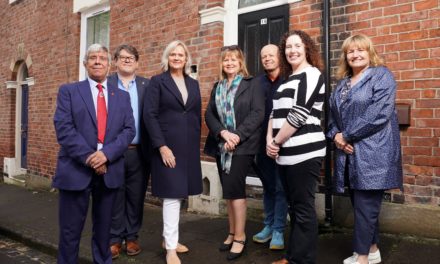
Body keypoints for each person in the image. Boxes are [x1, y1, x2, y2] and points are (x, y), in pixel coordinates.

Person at [53, 43, 135, 264]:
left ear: (109, 64)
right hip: (75, 170)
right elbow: (64, 128)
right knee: (70, 233)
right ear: (85, 64)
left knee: (104, 232)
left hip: (110, 171)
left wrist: (106, 155)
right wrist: (92, 158)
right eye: (92, 58)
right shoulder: (69, 91)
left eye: (102, 58)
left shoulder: (122, 96)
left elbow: (129, 130)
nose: (98, 61)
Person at [327, 34, 403, 264]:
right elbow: (333, 117)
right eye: (350, 51)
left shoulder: (382, 76)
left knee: (366, 206)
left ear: (369, 52)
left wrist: (346, 135)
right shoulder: (342, 84)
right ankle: (372, 250)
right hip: (349, 154)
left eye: (360, 50)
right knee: (362, 206)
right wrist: (336, 136)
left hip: (374, 153)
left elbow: (379, 114)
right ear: (345, 56)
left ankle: (360, 258)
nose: (355, 54)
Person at [267, 30, 326, 264]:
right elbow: (274, 113)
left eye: (297, 46)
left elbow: (299, 114)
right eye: (288, 47)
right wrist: (269, 143)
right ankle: (292, 256)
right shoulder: (288, 80)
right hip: (285, 154)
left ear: (307, 49)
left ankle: (302, 260)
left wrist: (276, 141)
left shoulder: (311, 74)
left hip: (305, 152)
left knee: (303, 210)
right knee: (294, 208)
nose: (292, 50)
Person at [144, 40, 202, 264]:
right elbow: (150, 115)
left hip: (187, 147)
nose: (177, 58)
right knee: (171, 196)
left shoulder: (193, 83)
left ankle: (169, 239)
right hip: (167, 146)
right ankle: (170, 249)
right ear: (167, 58)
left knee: (180, 195)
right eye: (173, 54)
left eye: (181, 54)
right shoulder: (157, 82)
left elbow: (195, 114)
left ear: (186, 59)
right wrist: (161, 146)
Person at [204, 45, 265, 261]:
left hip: (243, 146)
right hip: (222, 146)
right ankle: (231, 232)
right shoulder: (217, 86)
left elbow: (258, 114)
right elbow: (209, 115)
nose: (229, 63)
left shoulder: (252, 84)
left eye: (233, 60)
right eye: (225, 60)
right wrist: (223, 133)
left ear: (241, 63)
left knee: (236, 192)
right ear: (221, 63)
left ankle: (240, 237)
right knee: (228, 192)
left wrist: (236, 136)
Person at [108, 44, 151, 259]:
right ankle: (114, 239)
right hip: (113, 151)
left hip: (139, 151)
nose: (126, 60)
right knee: (115, 194)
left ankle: (132, 237)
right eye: (122, 57)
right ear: (115, 61)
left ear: (137, 62)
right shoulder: (106, 84)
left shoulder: (147, 85)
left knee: (136, 195)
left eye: (131, 57)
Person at [252, 44, 288, 250]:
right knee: (268, 186)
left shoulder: (289, 80)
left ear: (279, 57)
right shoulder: (257, 83)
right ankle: (267, 225)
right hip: (262, 145)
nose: (267, 59)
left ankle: (278, 230)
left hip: (284, 142)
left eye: (271, 55)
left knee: (281, 188)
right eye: (263, 56)